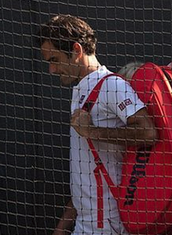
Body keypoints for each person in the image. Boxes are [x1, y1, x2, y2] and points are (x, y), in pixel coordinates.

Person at [38, 15, 157, 235]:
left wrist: (90, 131)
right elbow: (85, 174)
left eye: (54, 60)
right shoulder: (80, 89)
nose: (51, 70)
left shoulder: (112, 84)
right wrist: (61, 229)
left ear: (76, 50)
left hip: (108, 224)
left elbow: (148, 132)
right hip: (87, 224)